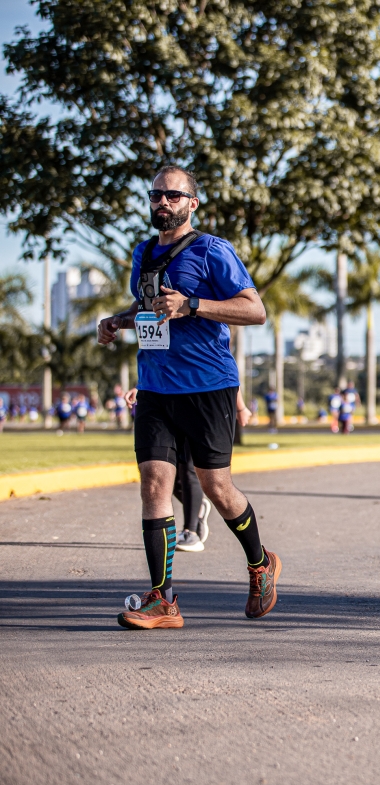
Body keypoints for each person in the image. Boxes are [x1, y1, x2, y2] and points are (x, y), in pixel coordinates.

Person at [96, 163, 281, 629]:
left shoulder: (212, 250)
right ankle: (163, 600)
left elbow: (255, 310)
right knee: (154, 484)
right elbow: (148, 306)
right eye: (156, 194)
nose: (163, 202)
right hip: (155, 386)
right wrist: (118, 321)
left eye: (173, 195)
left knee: (217, 487)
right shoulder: (143, 252)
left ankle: (260, 564)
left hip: (208, 385)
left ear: (192, 203)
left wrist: (192, 305)